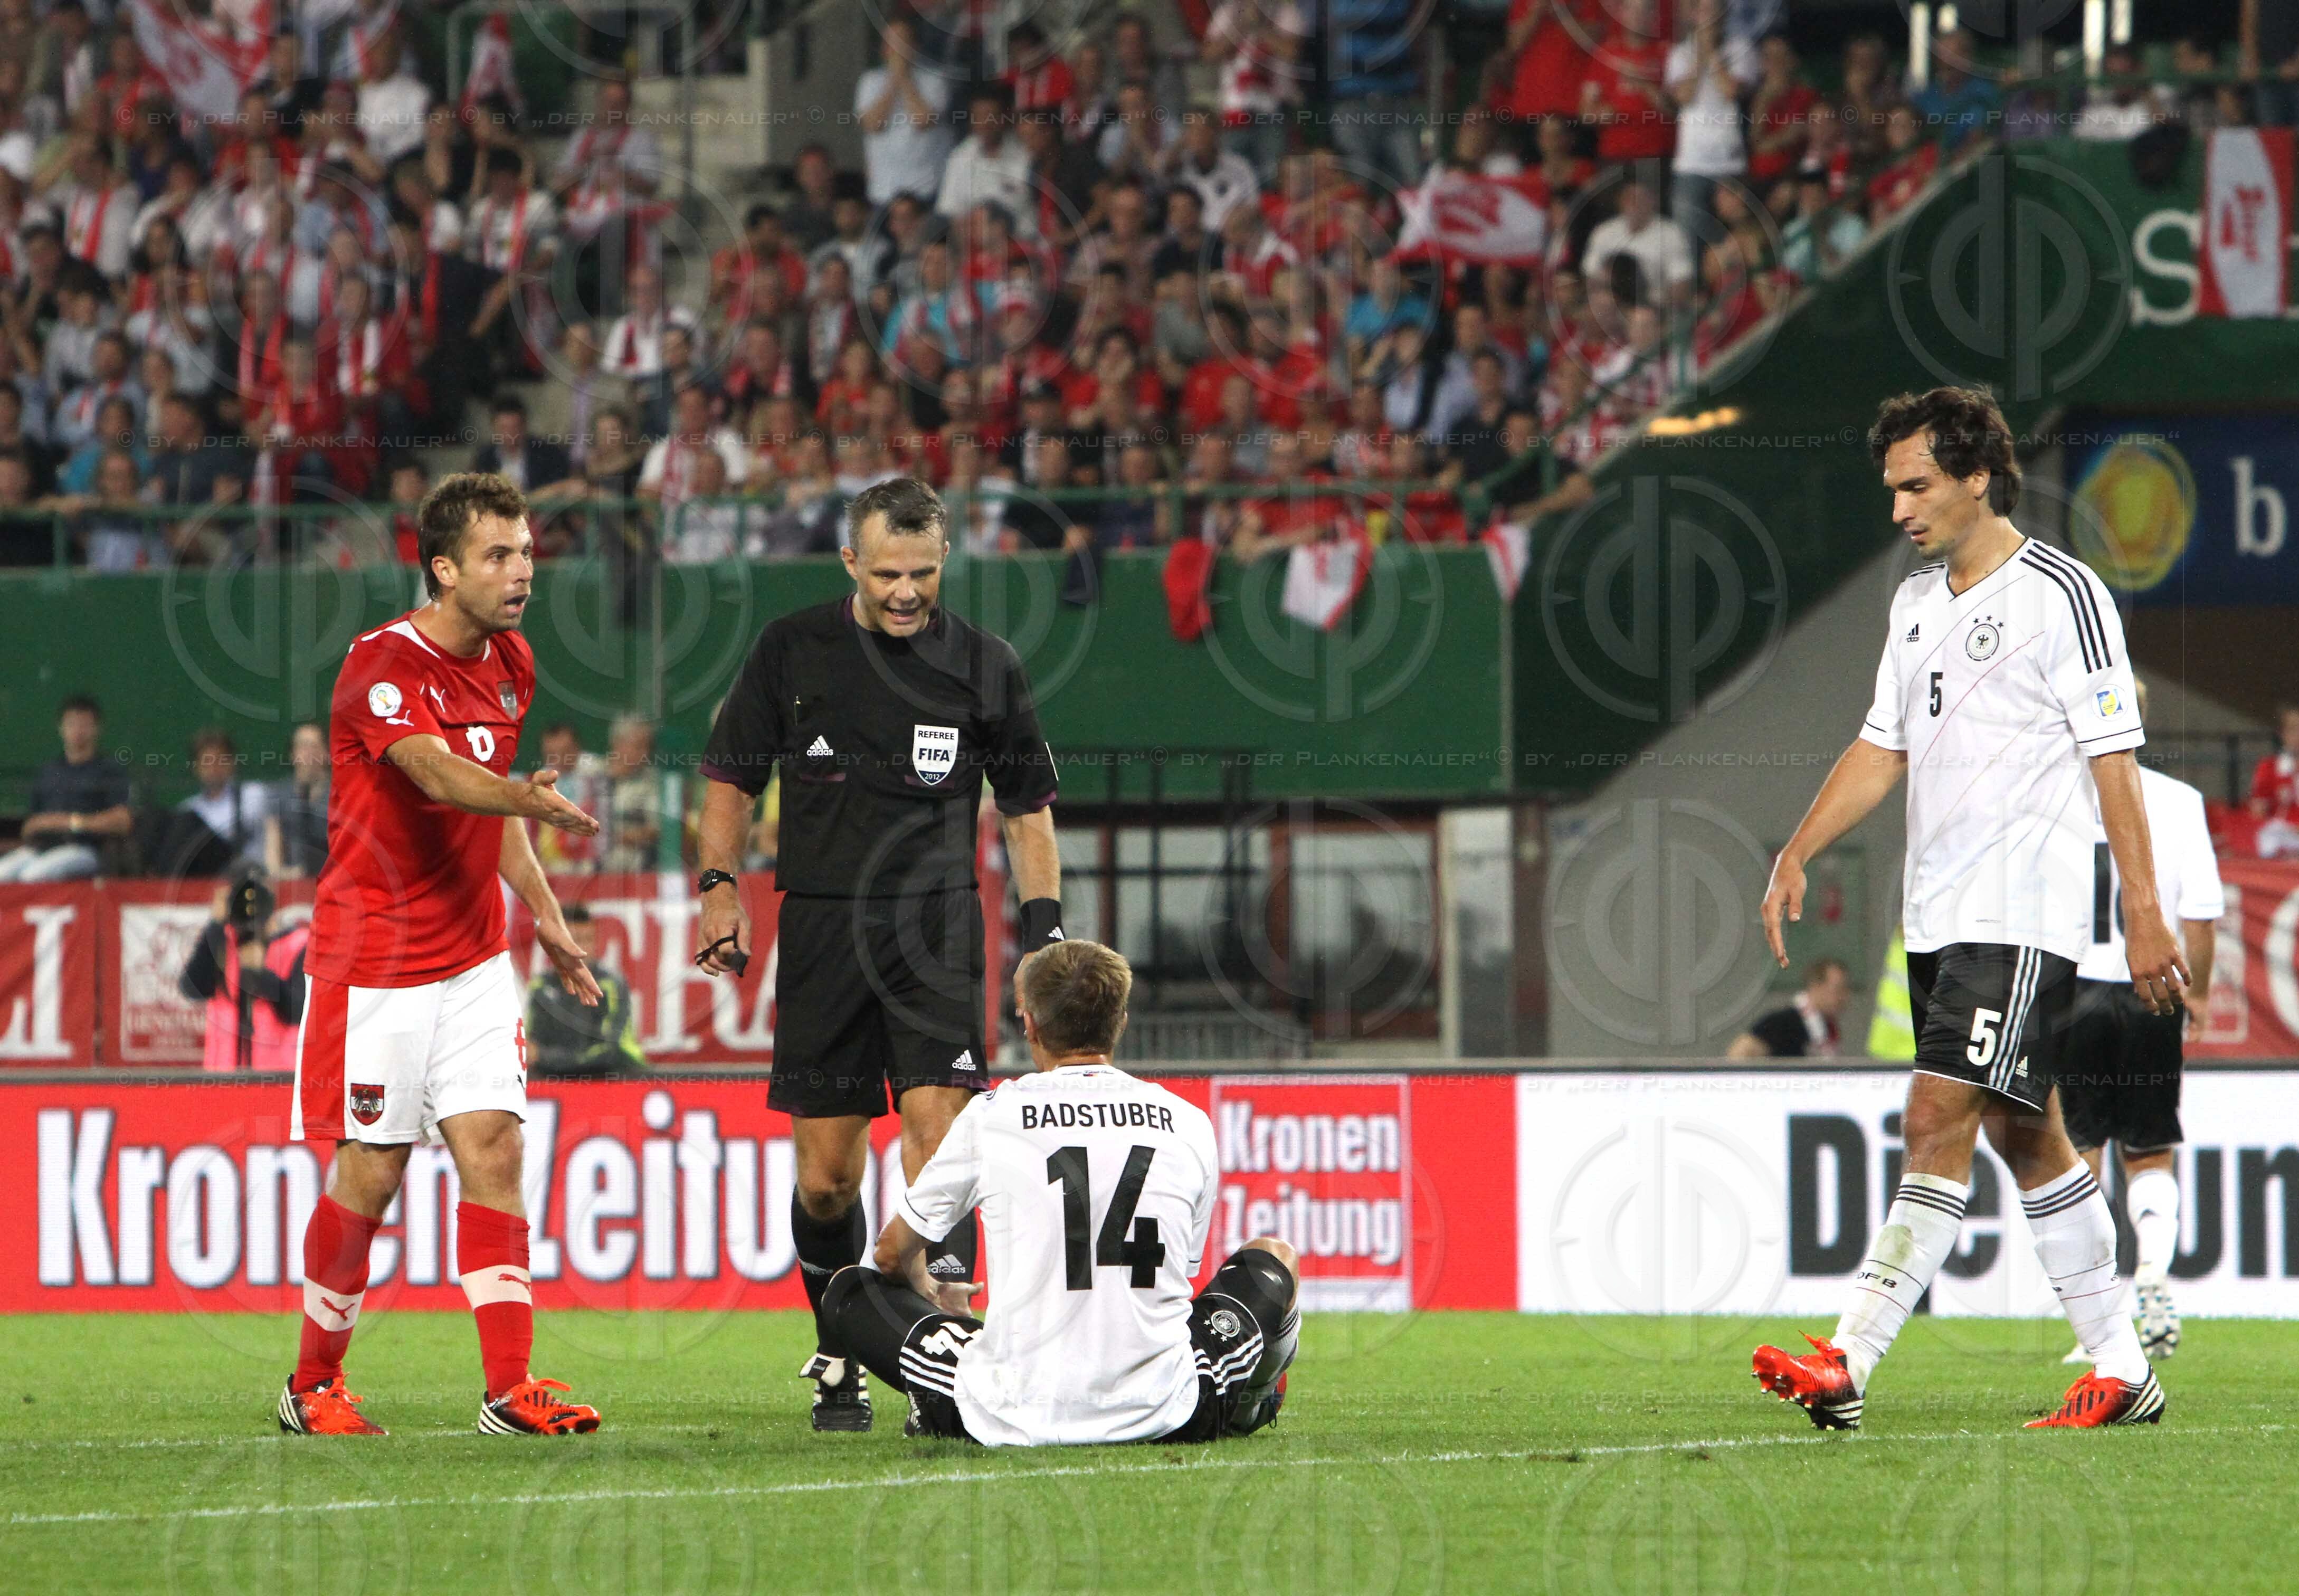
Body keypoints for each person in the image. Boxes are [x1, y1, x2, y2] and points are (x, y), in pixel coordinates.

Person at [1752, 386, 2185, 1432]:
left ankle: (1849, 1358)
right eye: (1892, 489)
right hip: (1938, 918)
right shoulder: (1913, 603)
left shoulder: (2061, 595)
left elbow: (2114, 758)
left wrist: (2142, 906)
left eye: (1918, 486)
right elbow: (1882, 745)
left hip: (2019, 915)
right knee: (2028, 1138)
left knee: (1933, 1117)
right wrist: (1799, 848)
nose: (1900, 510)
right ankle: (2123, 1368)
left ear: (1979, 476)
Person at [694, 476, 1063, 1432]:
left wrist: (1045, 933)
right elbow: (729, 777)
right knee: (827, 1176)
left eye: (925, 572)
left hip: (936, 929)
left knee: (941, 1147)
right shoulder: (792, 648)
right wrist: (719, 887)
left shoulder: (985, 665)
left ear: (946, 561)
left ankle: (950, 1347)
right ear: (850, 561)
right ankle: (840, 1346)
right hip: (819, 929)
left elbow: (1026, 812)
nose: (907, 590)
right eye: (889, 572)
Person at [278, 471, 606, 1440]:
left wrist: (542, 910)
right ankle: (311, 1382)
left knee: (495, 1149)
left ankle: (511, 1386)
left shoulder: (513, 661)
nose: (521, 573)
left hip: (471, 959)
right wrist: (523, 799)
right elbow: (438, 772)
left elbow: (494, 798)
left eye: (528, 553)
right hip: (374, 962)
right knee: (372, 1170)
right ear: (444, 567)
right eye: (500, 556)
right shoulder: (380, 666)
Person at [824, 938, 1300, 1446]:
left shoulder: (993, 1117)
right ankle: (1252, 1404)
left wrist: (934, 1295)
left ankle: (937, 1402)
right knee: (1275, 1259)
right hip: (1169, 1409)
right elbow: (1178, 1278)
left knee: (851, 1290)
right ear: (1121, 1021)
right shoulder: (1188, 1122)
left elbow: (891, 1255)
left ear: (1028, 1023)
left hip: (1011, 1413)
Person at [2059, 680, 2225, 1363]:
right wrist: (2200, 994)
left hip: (2074, 991)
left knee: (2080, 1156)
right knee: (2150, 1149)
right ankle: (2152, 1275)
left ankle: (2098, 1324)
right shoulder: (2178, 802)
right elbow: (2201, 916)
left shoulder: (2059, 796)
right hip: (2152, 987)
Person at [179, 866, 309, 1074]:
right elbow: (192, 989)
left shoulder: (297, 944)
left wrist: (262, 975)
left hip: (276, 1080)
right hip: (222, 1080)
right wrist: (216, 924)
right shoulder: (221, 943)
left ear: (272, 897)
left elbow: (299, 1013)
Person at [0, 692, 132, 882]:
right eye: (72, 724)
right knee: (5, 873)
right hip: (42, 848)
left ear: (97, 729)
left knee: (35, 875)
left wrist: (71, 822)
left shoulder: (108, 771)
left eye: (84, 725)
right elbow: (32, 823)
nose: (78, 731)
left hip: (85, 849)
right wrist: (37, 827)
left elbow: (122, 821)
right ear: (61, 728)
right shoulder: (49, 771)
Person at [523, 904, 644, 1076]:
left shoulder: (611, 986)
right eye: (575, 940)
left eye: (588, 939)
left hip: (616, 1078)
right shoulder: (541, 986)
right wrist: (543, 1057)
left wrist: (545, 1058)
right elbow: (532, 1047)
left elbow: (609, 1052)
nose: (581, 949)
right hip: (559, 1078)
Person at [1728, 957, 1850, 1058]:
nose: (1844, 997)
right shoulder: (1784, 1022)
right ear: (1815, 986)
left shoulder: (1828, 1029)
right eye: (1838, 990)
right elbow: (1740, 1052)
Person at [263, 720, 331, 879]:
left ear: (327, 753)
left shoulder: (340, 793)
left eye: (314, 746)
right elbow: (273, 846)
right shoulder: (279, 794)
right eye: (302, 746)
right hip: (292, 879)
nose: (308, 753)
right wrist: (281, 873)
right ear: (293, 753)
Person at [2245, 703, 2299, 858]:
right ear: (2283, 734)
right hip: (2282, 841)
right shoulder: (2269, 767)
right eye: (2293, 729)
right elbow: (2258, 813)